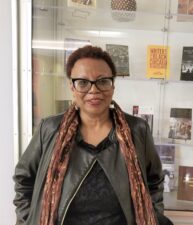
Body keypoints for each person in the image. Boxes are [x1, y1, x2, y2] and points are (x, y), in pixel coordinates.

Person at [13, 45, 173, 225]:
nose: (93, 90)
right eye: (83, 82)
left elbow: (154, 181)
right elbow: (24, 179)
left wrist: (152, 216)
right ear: (72, 87)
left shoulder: (137, 130)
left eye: (103, 81)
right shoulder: (49, 129)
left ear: (113, 85)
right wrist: (29, 219)